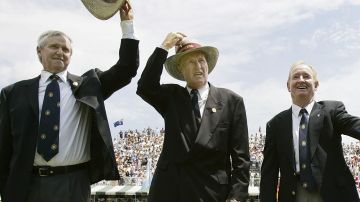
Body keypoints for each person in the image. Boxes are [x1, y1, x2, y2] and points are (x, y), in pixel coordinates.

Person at [0, 1, 139, 202]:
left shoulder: (90, 85)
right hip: (27, 183)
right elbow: (3, 149)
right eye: (54, 46)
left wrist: (127, 26)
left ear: (71, 55)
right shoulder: (13, 93)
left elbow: (126, 69)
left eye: (65, 49)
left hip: (74, 183)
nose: (60, 52)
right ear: (39, 51)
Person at [137, 32, 250, 202]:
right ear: (181, 69)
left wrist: (236, 196)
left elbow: (241, 159)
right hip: (172, 192)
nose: (198, 66)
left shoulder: (231, 101)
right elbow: (145, 86)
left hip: (212, 193)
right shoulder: (172, 97)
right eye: (191, 61)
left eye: (201, 60)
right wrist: (163, 47)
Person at [260, 61, 360, 202]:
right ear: (288, 86)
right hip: (294, 195)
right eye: (296, 77)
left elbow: (355, 125)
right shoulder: (275, 124)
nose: (301, 79)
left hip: (333, 193)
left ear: (316, 84)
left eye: (306, 76)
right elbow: (269, 173)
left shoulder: (332, 111)